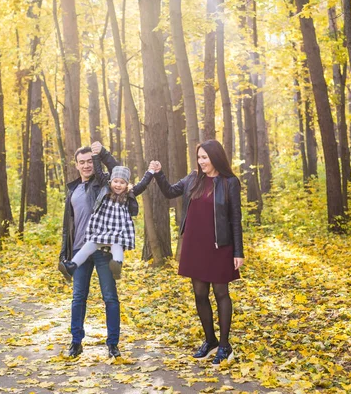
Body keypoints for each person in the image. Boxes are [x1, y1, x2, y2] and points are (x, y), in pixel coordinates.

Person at [152, 139, 245, 365]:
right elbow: (169, 192)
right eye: (199, 157)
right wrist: (158, 173)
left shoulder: (229, 182)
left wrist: (238, 252)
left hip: (220, 246)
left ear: (216, 157)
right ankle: (210, 341)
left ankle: (225, 345)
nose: (201, 161)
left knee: (221, 293)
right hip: (195, 245)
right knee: (200, 294)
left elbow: (235, 219)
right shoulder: (193, 179)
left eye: (205, 157)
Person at [58, 141, 123, 359]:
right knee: (78, 298)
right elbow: (68, 226)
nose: (86, 165)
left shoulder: (103, 184)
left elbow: (117, 170)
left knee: (110, 298)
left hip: (103, 250)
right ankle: (76, 342)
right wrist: (63, 254)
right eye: (82, 162)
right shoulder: (72, 190)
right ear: (76, 165)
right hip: (79, 252)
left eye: (89, 161)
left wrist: (102, 153)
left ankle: (113, 344)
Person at [59, 149, 155, 281]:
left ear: (127, 185)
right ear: (111, 182)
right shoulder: (105, 190)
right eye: (116, 181)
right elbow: (98, 172)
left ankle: (117, 265)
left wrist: (151, 172)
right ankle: (72, 266)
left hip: (117, 231)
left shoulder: (128, 195)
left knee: (117, 246)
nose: (118, 185)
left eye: (122, 183)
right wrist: (95, 156)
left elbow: (143, 184)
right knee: (88, 246)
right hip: (101, 230)